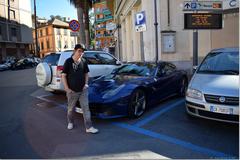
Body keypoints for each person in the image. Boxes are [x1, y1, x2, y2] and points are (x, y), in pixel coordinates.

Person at [62, 44, 99, 134]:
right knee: (71, 109)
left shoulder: (83, 61)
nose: (81, 53)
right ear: (74, 51)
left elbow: (86, 74)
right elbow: (63, 75)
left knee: (86, 108)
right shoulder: (68, 61)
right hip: (72, 91)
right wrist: (67, 88)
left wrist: (86, 84)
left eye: (82, 51)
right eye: (79, 51)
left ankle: (89, 127)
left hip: (83, 90)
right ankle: (70, 122)